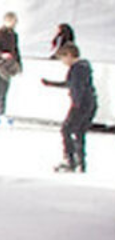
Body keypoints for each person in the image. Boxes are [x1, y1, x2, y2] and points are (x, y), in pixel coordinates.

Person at [42, 42, 97, 174]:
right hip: (90, 103)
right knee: (79, 132)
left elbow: (77, 87)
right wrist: (51, 84)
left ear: (70, 55)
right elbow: (71, 84)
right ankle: (80, 162)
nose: (63, 62)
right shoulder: (83, 67)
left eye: (63, 58)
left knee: (66, 130)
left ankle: (70, 160)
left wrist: (76, 104)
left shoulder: (76, 68)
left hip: (81, 105)